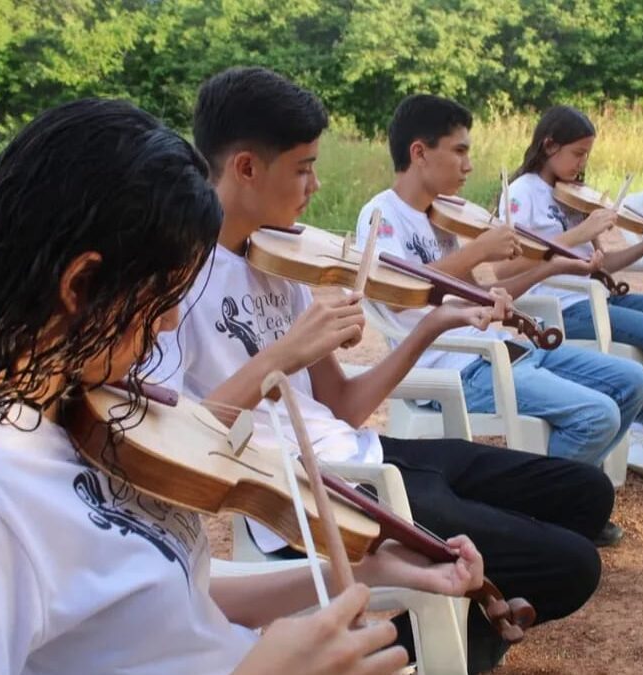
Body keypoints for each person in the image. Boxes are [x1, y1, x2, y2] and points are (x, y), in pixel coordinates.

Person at [0, 98, 485, 675]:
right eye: (165, 297)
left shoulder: (88, 414)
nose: (173, 320)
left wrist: (362, 569)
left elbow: (171, 602)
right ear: (82, 285)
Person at [155, 67, 615, 674]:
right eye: (303, 168)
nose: (316, 185)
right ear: (245, 167)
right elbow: (181, 445)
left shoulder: (283, 258)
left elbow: (341, 403)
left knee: (587, 493)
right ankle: (412, 651)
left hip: (365, 448)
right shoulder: (174, 281)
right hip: (309, 491)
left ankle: (461, 628)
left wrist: (430, 326)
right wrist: (281, 356)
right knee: (571, 565)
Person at [356, 94, 643, 481]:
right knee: (597, 415)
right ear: (419, 153)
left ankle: (571, 488)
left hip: (501, 350)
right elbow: (395, 295)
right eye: (459, 151)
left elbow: (477, 293)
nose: (469, 165)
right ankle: (550, 505)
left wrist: (552, 265)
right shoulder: (382, 214)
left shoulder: (444, 217)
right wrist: (478, 250)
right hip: (455, 367)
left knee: (633, 381)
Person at [499, 105, 643, 481]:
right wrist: (581, 232)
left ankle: (638, 424)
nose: (581, 163)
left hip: (598, 297)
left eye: (587, 154)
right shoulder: (523, 193)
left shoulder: (572, 197)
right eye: (577, 153)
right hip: (561, 307)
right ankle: (635, 429)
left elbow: (605, 266)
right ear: (548, 145)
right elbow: (508, 267)